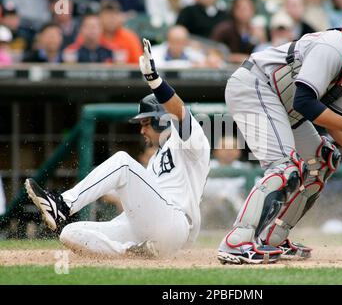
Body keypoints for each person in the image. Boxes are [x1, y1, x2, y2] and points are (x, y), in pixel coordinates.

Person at [217, 0, 342, 264]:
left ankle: (274, 238)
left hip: (283, 101)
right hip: (256, 85)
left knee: (325, 158)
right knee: (285, 166)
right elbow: (305, 101)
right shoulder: (334, 46)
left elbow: (332, 119)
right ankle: (237, 242)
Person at [25, 38, 211, 258]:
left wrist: (154, 81)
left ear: (162, 120)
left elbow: (180, 113)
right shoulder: (154, 160)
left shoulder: (191, 142)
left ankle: (63, 204)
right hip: (145, 230)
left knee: (123, 161)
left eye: (145, 122)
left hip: (175, 224)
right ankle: (132, 253)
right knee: (70, 232)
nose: (142, 131)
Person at [210, 0, 258, 64]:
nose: (244, 12)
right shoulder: (223, 29)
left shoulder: (256, 31)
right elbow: (213, 51)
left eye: (247, 9)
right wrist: (236, 58)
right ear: (234, 10)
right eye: (241, 9)